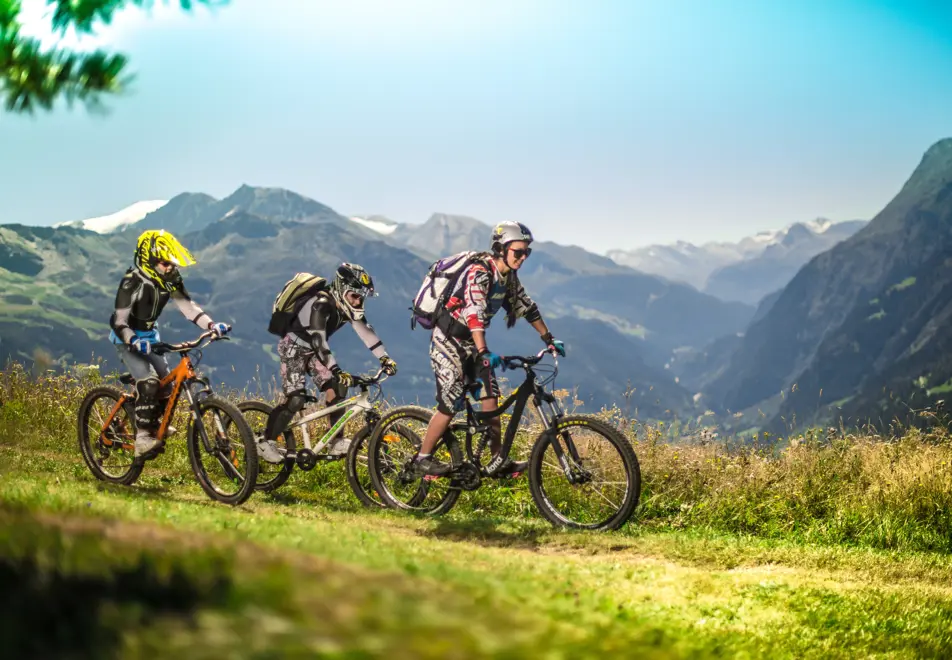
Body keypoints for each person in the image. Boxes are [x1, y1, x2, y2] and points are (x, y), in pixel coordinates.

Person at [411, 221, 566, 478]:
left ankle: (497, 461)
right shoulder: (479, 272)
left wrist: (548, 338)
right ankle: (422, 459)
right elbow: (474, 312)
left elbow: (526, 307)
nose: (523, 257)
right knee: (451, 402)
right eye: (518, 252)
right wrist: (483, 351)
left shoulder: (508, 277)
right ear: (500, 248)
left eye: (527, 252)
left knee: (490, 399)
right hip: (448, 340)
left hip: (472, 343)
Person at [109, 229, 231, 458]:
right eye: (165, 263)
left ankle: (154, 424)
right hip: (126, 338)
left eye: (173, 264)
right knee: (149, 382)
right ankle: (143, 438)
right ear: (149, 261)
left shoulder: (170, 280)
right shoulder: (131, 282)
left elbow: (188, 308)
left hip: (149, 337)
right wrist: (133, 339)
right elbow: (119, 321)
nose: (171, 268)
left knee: (167, 384)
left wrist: (212, 325)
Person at [260, 262, 398, 462]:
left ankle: (336, 441)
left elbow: (367, 333)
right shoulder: (321, 304)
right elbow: (318, 340)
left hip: (316, 351)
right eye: (355, 296)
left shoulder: (346, 305)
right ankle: (266, 442)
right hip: (294, 349)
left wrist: (385, 358)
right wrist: (335, 368)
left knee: (338, 387)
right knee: (296, 399)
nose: (358, 302)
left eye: (361, 298)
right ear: (342, 288)